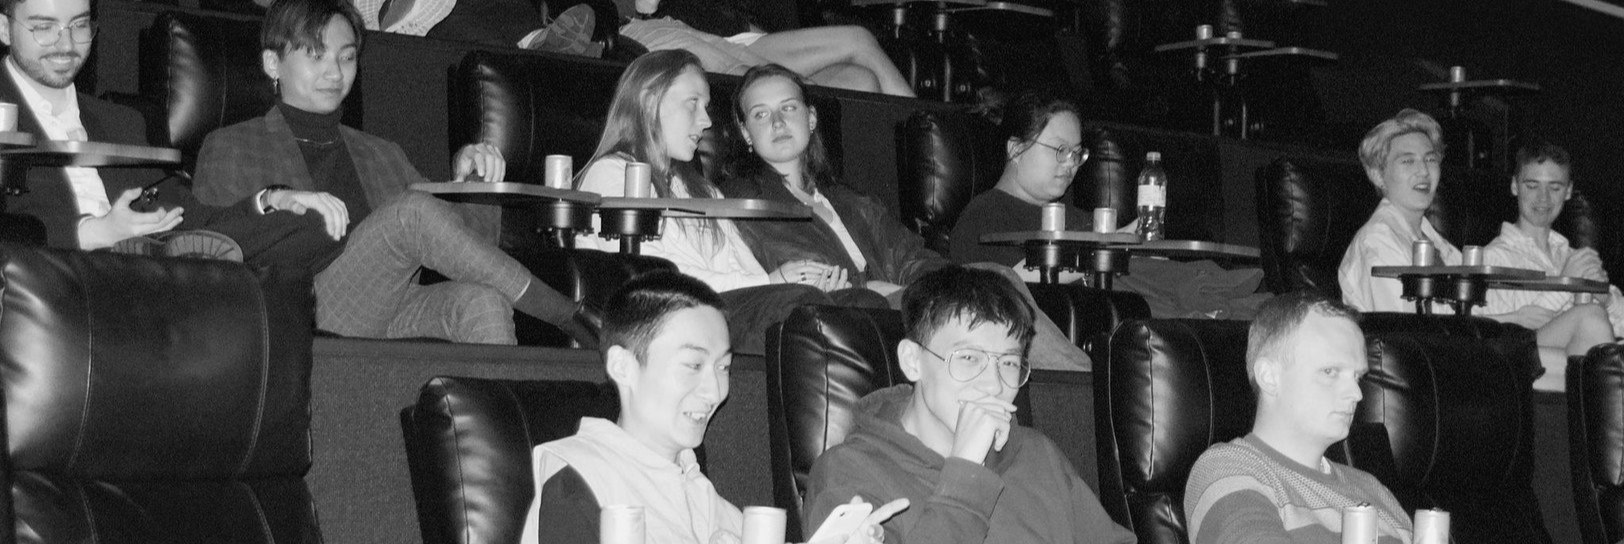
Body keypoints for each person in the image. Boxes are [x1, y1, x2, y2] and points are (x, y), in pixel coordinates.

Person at [190, 0, 596, 346]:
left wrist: (469, 182)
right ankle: (569, 315)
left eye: (346, 57)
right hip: (299, 308)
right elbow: (206, 246)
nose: (335, 72)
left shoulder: (381, 153)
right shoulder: (231, 145)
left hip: (391, 307)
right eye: (316, 55)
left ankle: (493, 435)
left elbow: (472, 247)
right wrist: (275, 199)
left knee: (482, 303)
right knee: (410, 213)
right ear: (272, 63)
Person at [716, 64, 1090, 371]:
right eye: (760, 114)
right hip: (851, 317)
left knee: (993, 280)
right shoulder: (742, 200)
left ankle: (1076, 381)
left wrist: (908, 290)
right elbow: (802, 277)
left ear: (812, 118)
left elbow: (916, 259)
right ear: (746, 134)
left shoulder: (850, 201)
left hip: (902, 304)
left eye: (789, 107)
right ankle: (1081, 385)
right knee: (994, 285)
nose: (778, 122)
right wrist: (875, 290)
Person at [520, 270, 905, 544]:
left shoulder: (705, 498)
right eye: (693, 365)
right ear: (623, 366)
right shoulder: (577, 480)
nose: (715, 389)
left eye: (723, 366)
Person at [574, 49, 886, 355]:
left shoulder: (703, 191)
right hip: (670, 315)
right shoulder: (613, 174)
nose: (706, 121)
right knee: (798, 306)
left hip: (726, 306)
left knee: (863, 303)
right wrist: (772, 281)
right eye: (693, 104)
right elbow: (655, 277)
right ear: (648, 102)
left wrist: (792, 283)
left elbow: (743, 265)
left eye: (706, 107)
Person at [802, 265, 1136, 544]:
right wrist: (965, 472)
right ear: (912, 361)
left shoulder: (1038, 455)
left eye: (1008, 362)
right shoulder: (848, 473)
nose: (993, 384)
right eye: (968, 358)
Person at [1336, 109, 1612, 389]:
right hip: (1429, 364)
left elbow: (1481, 303)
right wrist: (1513, 318)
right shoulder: (1377, 241)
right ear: (1377, 174)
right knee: (1588, 341)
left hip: (1467, 347)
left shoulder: (1436, 241)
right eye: (1407, 161)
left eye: (1430, 159)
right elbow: (1409, 328)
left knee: (1589, 343)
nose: (1423, 171)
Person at [948, 91, 1268, 320]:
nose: (1071, 164)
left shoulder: (1080, 218)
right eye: (1059, 150)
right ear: (1016, 149)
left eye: (1077, 154)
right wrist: (1103, 253)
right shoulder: (985, 213)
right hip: (1114, 311)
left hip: (1158, 299)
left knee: (1267, 309)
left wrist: (1137, 242)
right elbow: (1003, 287)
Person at [0, 0, 267, 251]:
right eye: (44, 28)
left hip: (139, 281)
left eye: (79, 25)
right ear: (4, 29)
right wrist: (90, 233)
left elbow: (191, 216)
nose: (66, 43)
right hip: (41, 285)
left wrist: (267, 202)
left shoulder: (122, 122)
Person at [1183, 291, 1412, 544]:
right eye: (1330, 371)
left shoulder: (1372, 489)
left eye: (1357, 376)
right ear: (1269, 376)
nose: (1356, 394)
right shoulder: (1228, 469)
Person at [612, 0, 914, 97]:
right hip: (706, 34)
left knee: (860, 73)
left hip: (745, 35)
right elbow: (644, 6)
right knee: (858, 50)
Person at [1482, 142, 1624, 338]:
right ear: (1515, 186)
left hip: (1585, 358)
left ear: (1568, 191)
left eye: (1555, 188)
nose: (1543, 198)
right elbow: (1499, 338)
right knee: (1590, 316)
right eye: (1532, 186)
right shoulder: (1493, 258)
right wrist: (1565, 285)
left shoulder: (1572, 256)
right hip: (1527, 360)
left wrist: (1606, 297)